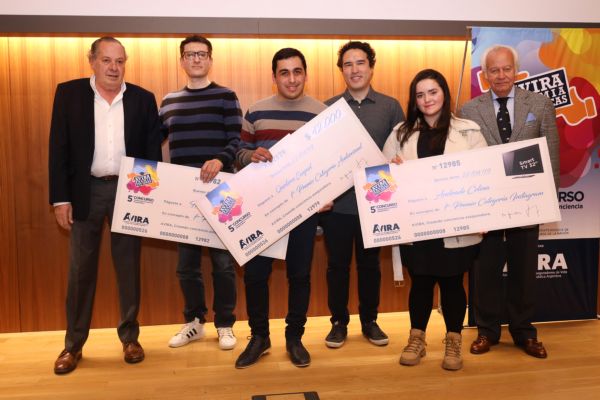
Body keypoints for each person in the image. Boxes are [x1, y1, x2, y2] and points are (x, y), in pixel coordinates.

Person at [49, 37, 163, 374]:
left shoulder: (143, 99)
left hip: (129, 191)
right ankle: (73, 345)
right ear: (92, 61)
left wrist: (146, 197)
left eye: (120, 61)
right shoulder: (69, 94)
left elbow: (151, 152)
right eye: (107, 60)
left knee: (128, 267)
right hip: (85, 191)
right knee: (80, 270)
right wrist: (60, 199)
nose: (114, 68)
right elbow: (58, 148)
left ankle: (130, 338)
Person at [382, 69, 486, 370]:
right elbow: (380, 179)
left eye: (433, 92)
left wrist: (484, 214)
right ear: (414, 100)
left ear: (444, 94)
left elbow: (484, 177)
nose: (427, 99)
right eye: (420, 94)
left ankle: (453, 341)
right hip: (417, 227)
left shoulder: (468, 131)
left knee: (453, 283)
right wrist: (392, 169)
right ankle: (417, 339)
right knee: (421, 282)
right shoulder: (400, 133)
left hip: (457, 226)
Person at [460, 44, 559, 359]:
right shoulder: (469, 110)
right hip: (487, 207)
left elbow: (551, 155)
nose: (501, 75)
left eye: (506, 69)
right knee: (485, 271)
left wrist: (548, 200)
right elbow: (465, 161)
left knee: (524, 271)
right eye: (494, 70)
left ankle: (524, 332)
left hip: (527, 204)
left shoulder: (540, 104)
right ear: (484, 74)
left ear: (516, 70)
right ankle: (486, 331)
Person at [234, 48, 326, 369]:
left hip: (302, 210)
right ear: (274, 77)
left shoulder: (322, 113)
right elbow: (239, 153)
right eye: (284, 72)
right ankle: (259, 337)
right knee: (255, 275)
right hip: (262, 209)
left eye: (297, 71)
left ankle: (294, 338)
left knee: (299, 276)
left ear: (305, 74)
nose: (291, 79)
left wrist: (325, 193)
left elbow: (328, 163)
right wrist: (251, 156)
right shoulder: (256, 111)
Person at [159, 35, 241, 351]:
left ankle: (225, 324)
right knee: (186, 266)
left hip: (220, 193)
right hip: (182, 197)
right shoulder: (168, 101)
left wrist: (220, 159)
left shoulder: (226, 96)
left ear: (210, 59)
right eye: (190, 54)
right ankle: (194, 322)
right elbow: (152, 142)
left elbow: (236, 141)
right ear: (182, 60)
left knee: (223, 264)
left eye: (202, 54)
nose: (196, 59)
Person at [322, 41, 405, 348]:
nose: (354, 69)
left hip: (376, 205)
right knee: (337, 267)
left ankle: (370, 321)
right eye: (348, 64)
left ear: (371, 67)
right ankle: (338, 322)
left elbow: (401, 150)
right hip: (338, 207)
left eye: (360, 63)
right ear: (341, 70)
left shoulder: (390, 106)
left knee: (370, 267)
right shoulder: (328, 108)